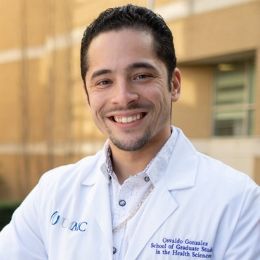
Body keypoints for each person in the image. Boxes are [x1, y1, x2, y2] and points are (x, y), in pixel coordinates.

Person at [0, 4, 259, 260]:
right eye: (104, 82)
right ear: (88, 95)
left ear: (174, 84)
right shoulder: (53, 191)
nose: (123, 97)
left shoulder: (240, 203)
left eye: (141, 76)